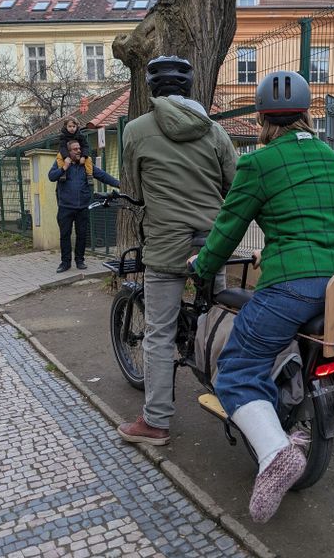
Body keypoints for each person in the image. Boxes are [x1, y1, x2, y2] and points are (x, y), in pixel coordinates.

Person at [188, 71, 334, 524]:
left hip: (292, 285)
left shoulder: (257, 164)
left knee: (237, 369)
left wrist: (202, 268)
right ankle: (293, 424)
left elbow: (228, 229)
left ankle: (274, 454)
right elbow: (316, 220)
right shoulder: (328, 156)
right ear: (305, 115)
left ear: (263, 118)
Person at [115, 55, 238, 446]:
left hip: (166, 246)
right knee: (217, 320)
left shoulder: (135, 129)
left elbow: (133, 188)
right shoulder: (215, 131)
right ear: (189, 89)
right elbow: (233, 183)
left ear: (152, 89)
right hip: (210, 244)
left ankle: (155, 422)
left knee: (159, 333)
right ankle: (229, 398)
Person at [48, 139, 120, 273]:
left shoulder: (86, 164)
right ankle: (65, 263)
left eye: (79, 149)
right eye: (75, 149)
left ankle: (80, 261)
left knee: (82, 235)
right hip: (65, 207)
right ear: (68, 152)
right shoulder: (61, 163)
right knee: (65, 235)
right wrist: (64, 168)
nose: (78, 151)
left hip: (82, 206)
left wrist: (118, 183)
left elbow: (102, 175)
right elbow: (51, 176)